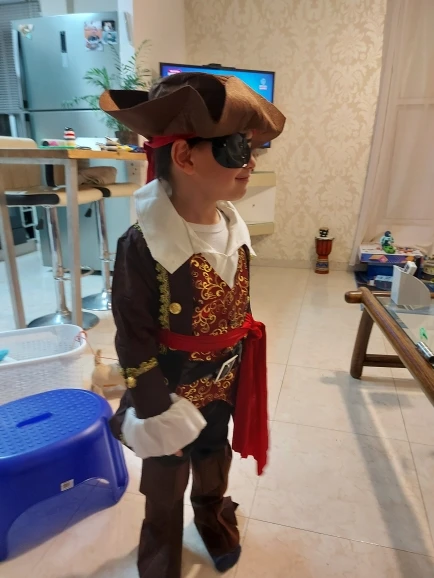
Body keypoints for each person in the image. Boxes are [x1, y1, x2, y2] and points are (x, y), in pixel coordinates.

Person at [99, 72, 285, 578]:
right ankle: (160, 545)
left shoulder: (234, 229)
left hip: (223, 379)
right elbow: (132, 336)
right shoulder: (142, 244)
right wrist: (155, 409)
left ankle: (211, 514)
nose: (250, 162)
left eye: (252, 148)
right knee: (165, 476)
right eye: (235, 148)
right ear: (184, 156)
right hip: (170, 386)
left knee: (213, 456)